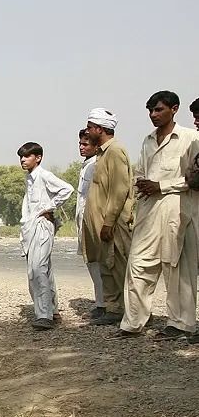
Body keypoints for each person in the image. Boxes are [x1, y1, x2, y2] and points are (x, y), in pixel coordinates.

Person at [119, 91, 199, 338]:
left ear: (174, 109)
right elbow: (140, 172)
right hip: (148, 211)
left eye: (158, 110)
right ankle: (133, 322)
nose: (153, 115)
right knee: (138, 264)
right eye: (150, 111)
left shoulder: (191, 138)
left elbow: (193, 180)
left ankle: (180, 324)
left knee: (177, 268)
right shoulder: (148, 140)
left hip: (178, 210)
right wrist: (143, 184)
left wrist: (161, 186)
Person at [81, 108, 134, 326]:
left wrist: (109, 222)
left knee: (119, 267)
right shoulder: (101, 154)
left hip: (112, 224)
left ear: (99, 129)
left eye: (89, 128)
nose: (87, 131)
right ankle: (113, 309)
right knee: (106, 267)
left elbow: (119, 190)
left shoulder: (115, 151)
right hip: (101, 224)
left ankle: (131, 311)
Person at [18, 143, 74, 330]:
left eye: (27, 156)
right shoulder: (29, 178)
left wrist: (49, 207)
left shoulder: (44, 175)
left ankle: (44, 315)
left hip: (42, 226)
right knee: (44, 269)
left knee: (37, 269)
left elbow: (67, 189)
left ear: (38, 158)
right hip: (31, 227)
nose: (23, 160)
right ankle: (52, 311)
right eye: (21, 157)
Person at [74, 129, 104, 318]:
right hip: (83, 220)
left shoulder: (96, 165)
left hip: (94, 221)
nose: (81, 147)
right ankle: (101, 302)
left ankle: (104, 304)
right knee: (91, 262)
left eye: (86, 144)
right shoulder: (86, 165)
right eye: (80, 143)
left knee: (98, 263)